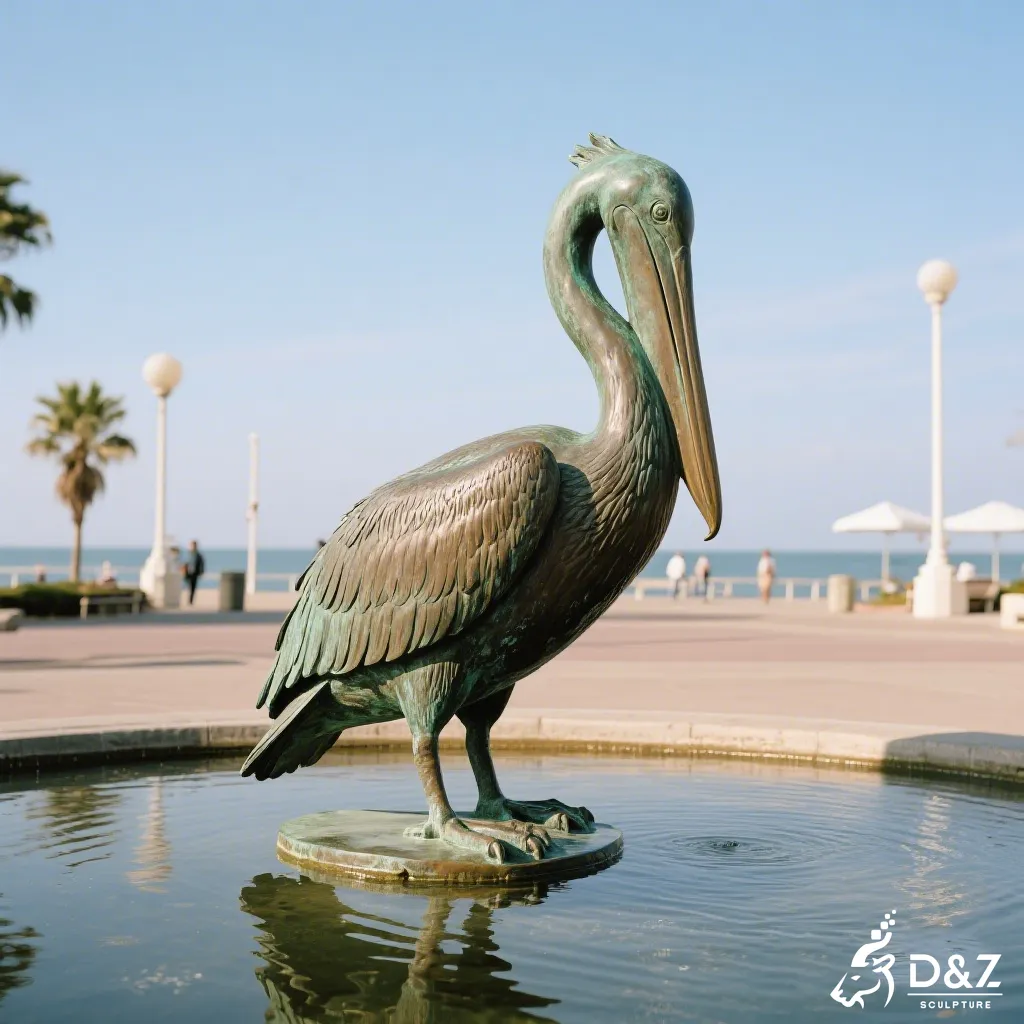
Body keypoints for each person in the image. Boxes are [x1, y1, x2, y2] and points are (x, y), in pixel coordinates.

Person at [182, 540, 205, 606]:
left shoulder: (198, 555)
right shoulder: (189, 554)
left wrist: (201, 571)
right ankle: (188, 599)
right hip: (188, 573)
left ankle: (190, 601)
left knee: (192, 587)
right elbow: (185, 563)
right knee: (188, 586)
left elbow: (201, 563)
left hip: (194, 573)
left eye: (194, 545)